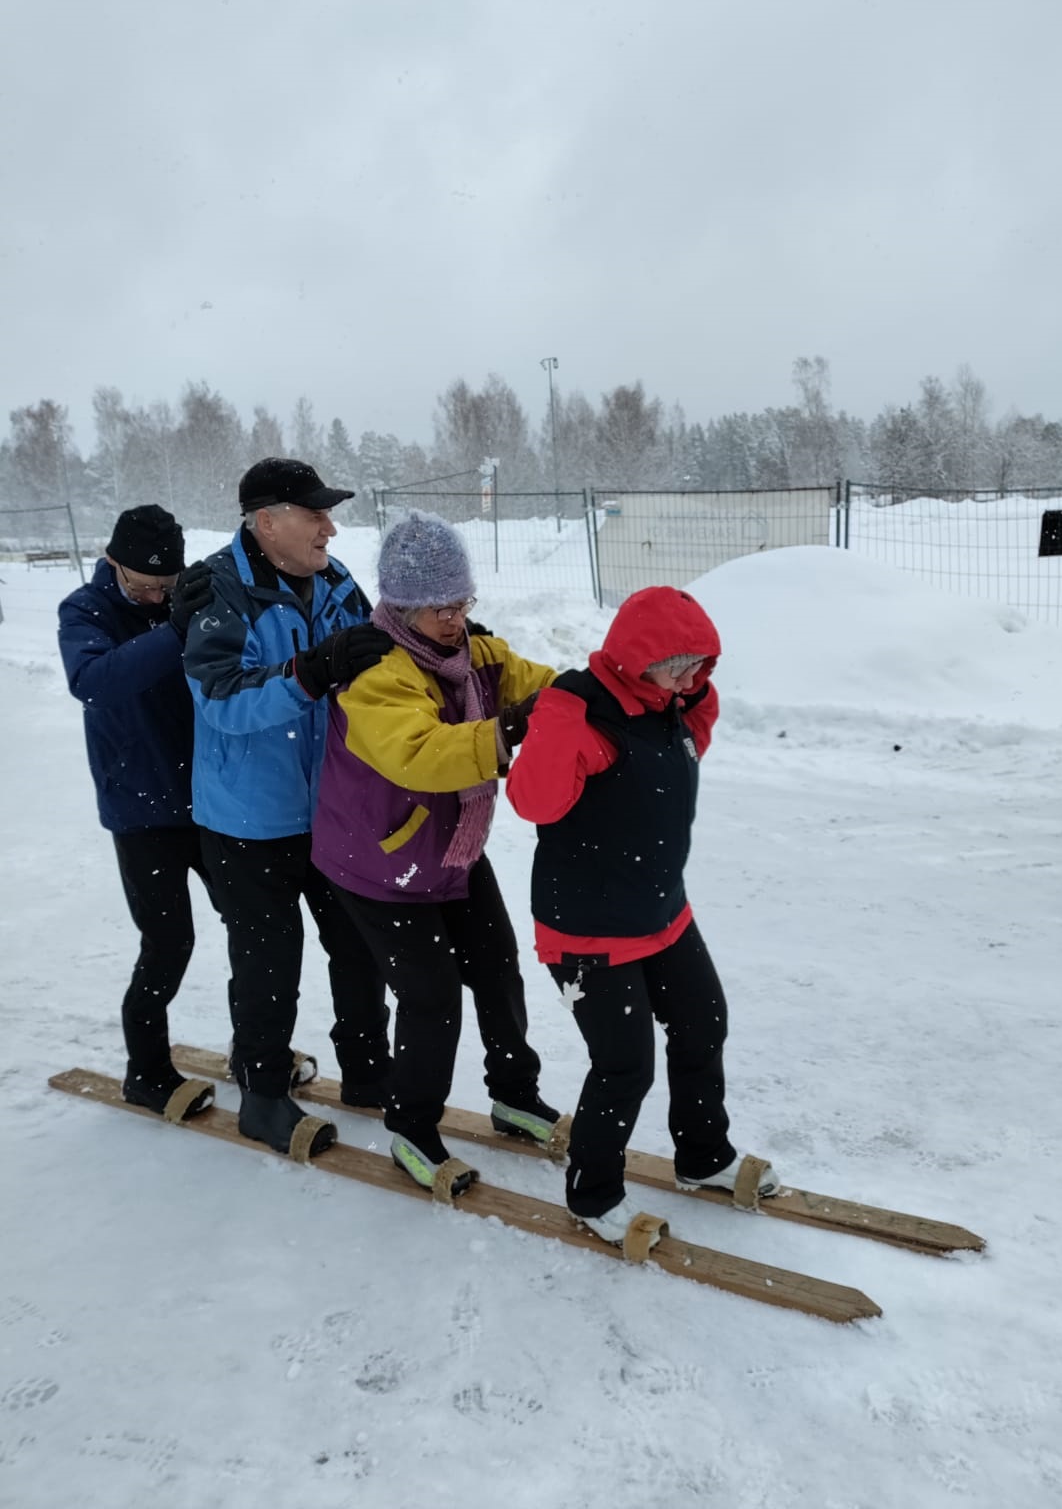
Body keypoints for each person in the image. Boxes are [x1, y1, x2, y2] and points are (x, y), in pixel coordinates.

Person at [506, 586, 780, 1246]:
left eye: (700, 663)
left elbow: (687, 729)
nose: (691, 678)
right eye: (676, 663)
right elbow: (533, 801)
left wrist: (688, 680)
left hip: (661, 912)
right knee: (624, 1065)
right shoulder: (584, 717)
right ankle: (592, 1193)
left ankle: (703, 1158)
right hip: (587, 931)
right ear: (634, 659)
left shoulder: (671, 708)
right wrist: (558, 715)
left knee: (701, 1025)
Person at [311, 509, 561, 1194]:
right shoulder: (375, 670)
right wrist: (507, 729)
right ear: (399, 604)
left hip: (450, 848)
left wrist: (584, 698)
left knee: (497, 966)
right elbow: (418, 755)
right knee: (431, 995)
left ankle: (513, 1095)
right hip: (378, 864)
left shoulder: (472, 653)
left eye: (461, 602)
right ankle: (412, 1129)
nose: (454, 619)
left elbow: (539, 683)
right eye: (437, 608)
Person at [184, 457, 393, 1158]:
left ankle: (368, 1071)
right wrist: (310, 671)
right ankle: (264, 1095)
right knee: (269, 960)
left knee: (359, 946)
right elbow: (221, 702)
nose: (330, 528)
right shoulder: (219, 589)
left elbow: (375, 660)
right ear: (266, 521)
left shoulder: (334, 582)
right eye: (315, 514)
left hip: (331, 809)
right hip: (248, 820)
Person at [58, 504, 217, 1120]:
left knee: (254, 929)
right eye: (141, 585)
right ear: (111, 560)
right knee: (168, 941)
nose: (153, 596)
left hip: (208, 803)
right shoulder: (85, 610)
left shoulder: (188, 598)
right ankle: (145, 1071)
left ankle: (258, 1049)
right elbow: (93, 680)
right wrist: (174, 630)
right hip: (140, 809)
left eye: (165, 587)